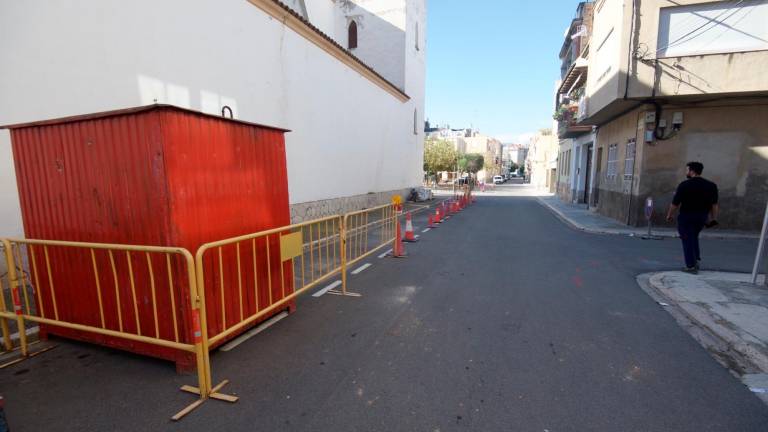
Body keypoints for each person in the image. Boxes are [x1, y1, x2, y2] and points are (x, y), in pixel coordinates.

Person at [666, 161, 719, 274]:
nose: (686, 172)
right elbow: (714, 205)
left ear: (692, 171)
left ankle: (690, 266)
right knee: (693, 237)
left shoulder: (684, 185)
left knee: (687, 239)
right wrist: (713, 218)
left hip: (686, 216)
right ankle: (696, 260)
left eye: (687, 170)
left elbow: (675, 203)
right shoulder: (711, 186)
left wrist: (669, 215)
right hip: (701, 217)